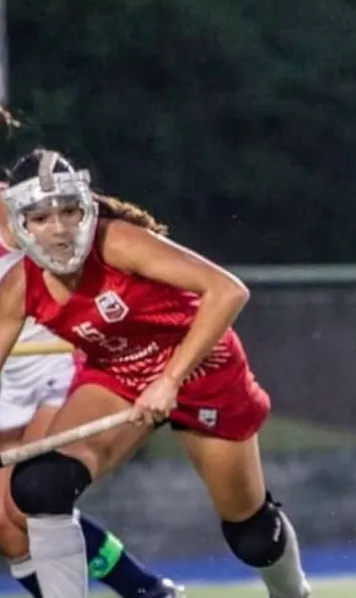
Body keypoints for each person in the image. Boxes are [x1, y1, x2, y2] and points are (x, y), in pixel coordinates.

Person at [0, 148, 312, 597]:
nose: (60, 230)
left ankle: (293, 592)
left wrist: (169, 380)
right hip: (119, 378)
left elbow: (227, 292)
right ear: (22, 224)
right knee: (40, 487)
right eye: (42, 218)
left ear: (86, 209)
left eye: (68, 212)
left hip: (204, 373)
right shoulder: (19, 286)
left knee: (252, 536)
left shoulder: (117, 242)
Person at [0, 187, 183, 597]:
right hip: (6, 378)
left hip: (56, 364)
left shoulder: (14, 203)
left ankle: (148, 592)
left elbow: (82, 223)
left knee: (30, 499)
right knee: (7, 531)